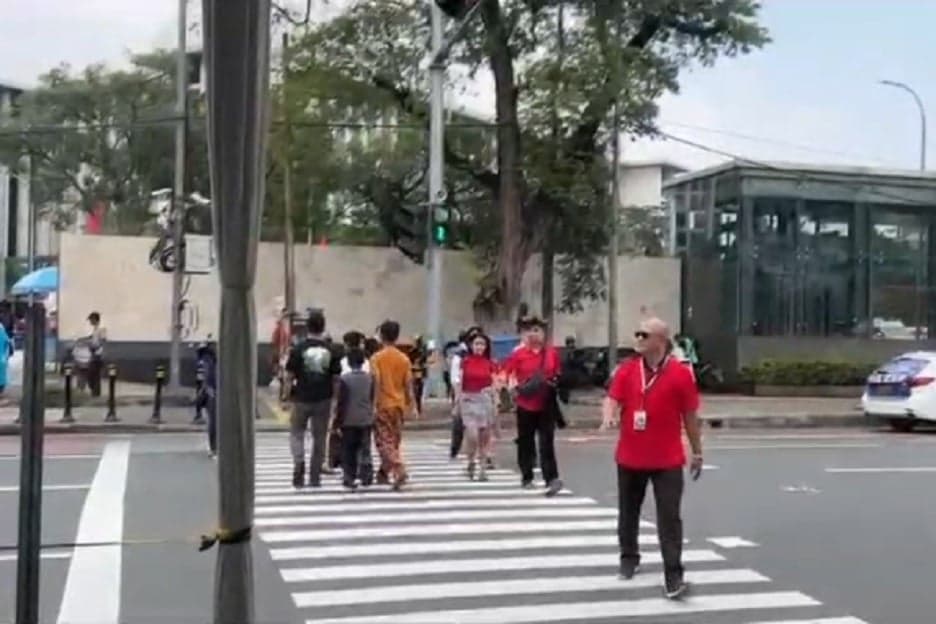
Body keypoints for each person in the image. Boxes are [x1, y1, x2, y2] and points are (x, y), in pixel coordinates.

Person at [600, 317, 703, 600]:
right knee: (628, 512)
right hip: (630, 456)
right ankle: (628, 558)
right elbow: (612, 397)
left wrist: (697, 451)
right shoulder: (628, 370)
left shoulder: (681, 374)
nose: (638, 339)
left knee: (669, 518)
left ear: (661, 340)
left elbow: (690, 416)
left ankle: (673, 575)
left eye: (644, 334)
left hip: (667, 459)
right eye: (637, 333)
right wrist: (608, 415)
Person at [501, 315, 563, 497]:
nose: (533, 334)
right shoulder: (518, 355)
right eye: (529, 331)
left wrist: (556, 382)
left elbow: (558, 373)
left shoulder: (551, 354)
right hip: (525, 404)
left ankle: (551, 478)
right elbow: (507, 374)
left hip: (546, 404)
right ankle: (526, 476)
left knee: (546, 442)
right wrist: (512, 388)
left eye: (537, 330)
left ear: (544, 333)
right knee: (526, 441)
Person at [285, 309, 342, 488]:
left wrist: (286, 396)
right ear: (323, 328)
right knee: (319, 437)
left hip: (301, 397)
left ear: (307, 327)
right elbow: (336, 379)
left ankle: (299, 463)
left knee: (296, 433)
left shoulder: (298, 349)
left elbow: (289, 376)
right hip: (323, 398)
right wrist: (335, 400)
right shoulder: (331, 350)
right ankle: (315, 476)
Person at [370, 319, 418, 490]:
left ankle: (398, 468)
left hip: (383, 404)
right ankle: (383, 473)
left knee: (384, 441)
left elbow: (376, 382)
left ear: (381, 336)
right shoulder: (404, 359)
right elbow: (408, 384)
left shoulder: (377, 358)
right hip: (398, 405)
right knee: (394, 441)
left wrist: (373, 405)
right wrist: (412, 405)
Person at [454, 331, 498, 481]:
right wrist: (457, 402)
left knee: (485, 436)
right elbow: (459, 383)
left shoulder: (490, 363)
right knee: (472, 434)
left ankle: (483, 468)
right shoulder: (465, 362)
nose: (479, 347)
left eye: (482, 344)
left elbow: (495, 382)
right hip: (468, 399)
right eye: (476, 344)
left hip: (485, 400)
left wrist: (494, 397)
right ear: (471, 346)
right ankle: (471, 461)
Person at [335, 348, 375, 491]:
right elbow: (371, 397)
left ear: (349, 363)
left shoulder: (344, 379)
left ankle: (349, 477)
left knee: (349, 449)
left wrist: (337, 422)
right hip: (366, 418)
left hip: (348, 420)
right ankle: (366, 474)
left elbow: (341, 402)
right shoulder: (370, 378)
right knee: (365, 448)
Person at [195, 341, 217, 457]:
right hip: (212, 392)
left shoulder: (205, 361)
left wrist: (205, 390)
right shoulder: (210, 360)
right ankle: (214, 447)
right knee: (213, 422)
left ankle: (214, 447)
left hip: (212, 393)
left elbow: (207, 378)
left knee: (213, 422)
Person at [87, 312, 107, 397]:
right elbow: (94, 340)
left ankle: (96, 392)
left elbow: (103, 341)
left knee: (94, 374)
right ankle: (94, 391)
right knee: (92, 374)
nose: (90, 322)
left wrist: (98, 351)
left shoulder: (101, 329)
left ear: (95, 319)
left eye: (91, 320)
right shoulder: (95, 329)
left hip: (98, 354)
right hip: (93, 353)